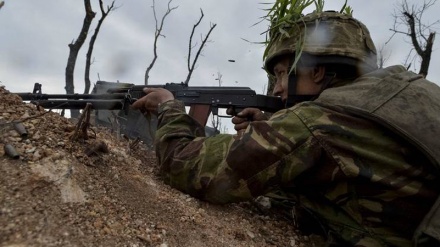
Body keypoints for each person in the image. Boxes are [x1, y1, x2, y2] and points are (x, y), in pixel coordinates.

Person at [132, 8, 440, 247]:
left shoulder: (318, 121)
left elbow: (190, 167)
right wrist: (269, 130)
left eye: (282, 74)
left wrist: (168, 108)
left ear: (316, 71)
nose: (278, 88)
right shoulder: (404, 93)